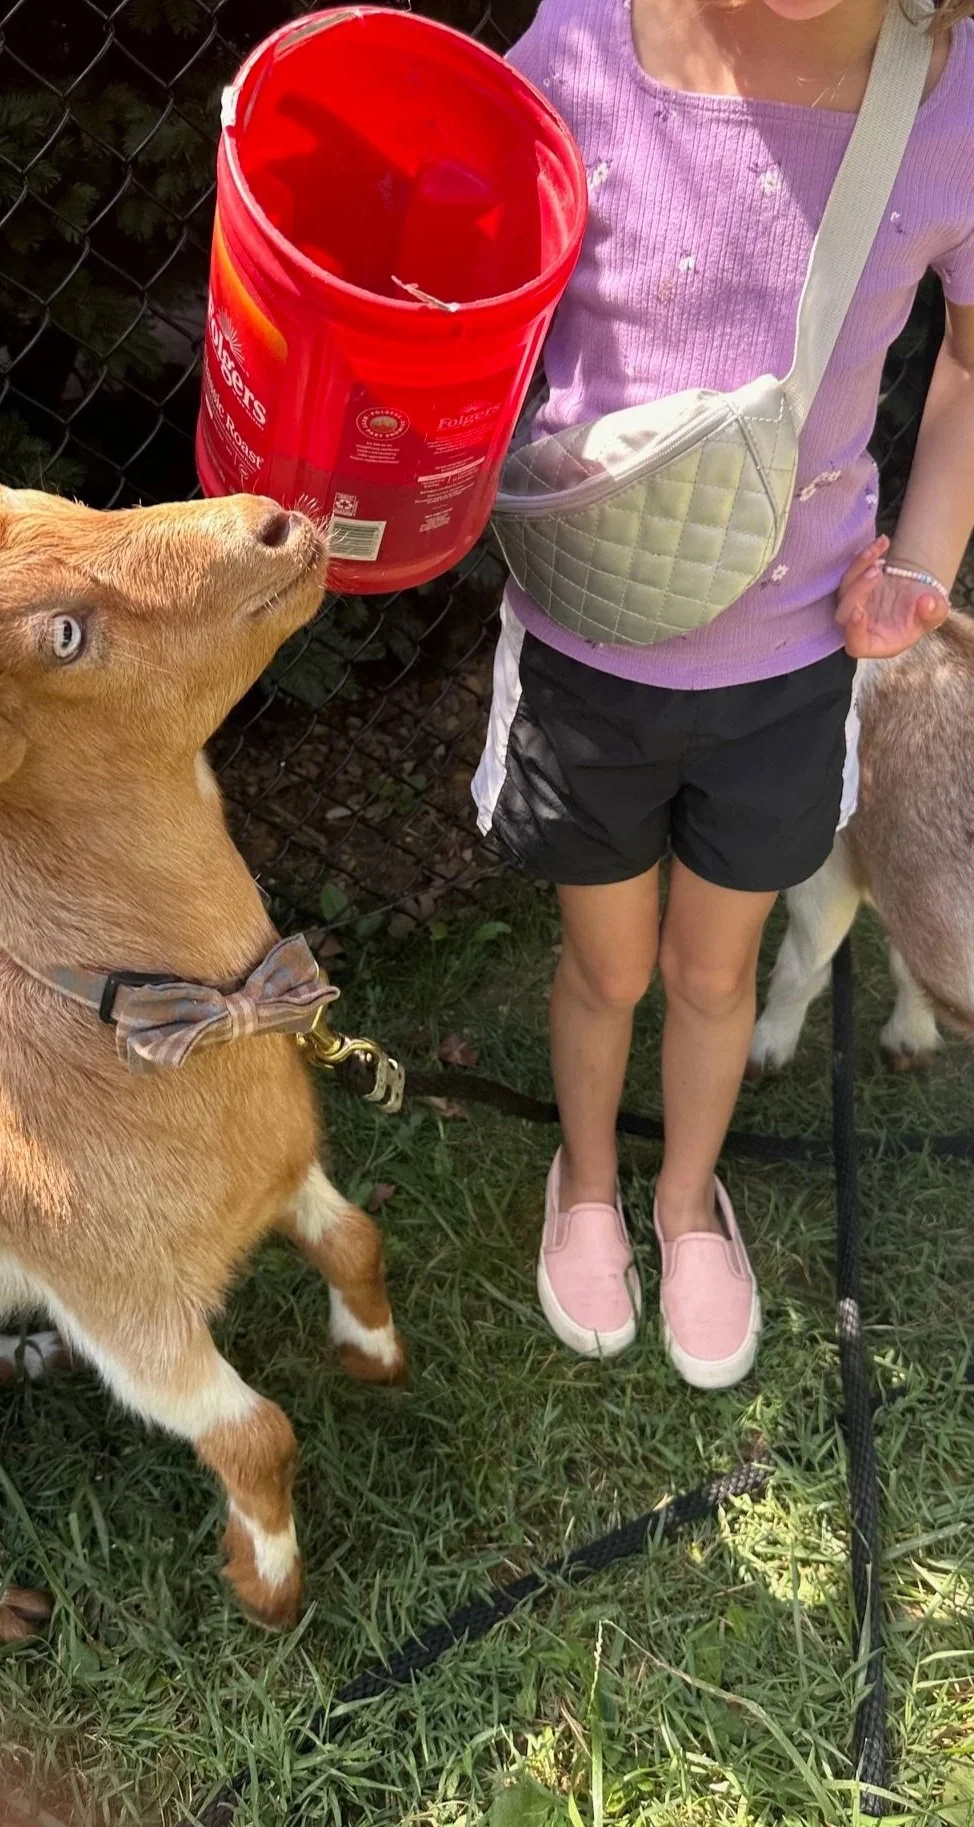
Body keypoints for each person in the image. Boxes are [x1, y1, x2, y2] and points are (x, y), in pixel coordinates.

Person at [474, 0, 974, 1388]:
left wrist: (922, 563)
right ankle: (586, 1184)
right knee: (607, 964)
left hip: (791, 664)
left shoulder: (947, 99)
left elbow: (966, 366)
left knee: (711, 971)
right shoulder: (578, 48)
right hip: (589, 650)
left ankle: (685, 1200)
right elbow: (461, 280)